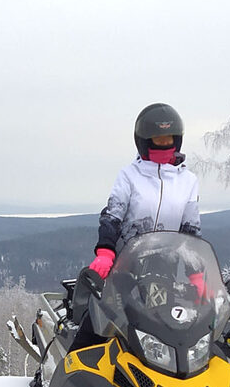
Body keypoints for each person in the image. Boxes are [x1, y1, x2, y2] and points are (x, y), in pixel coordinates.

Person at [86, 103, 201, 280]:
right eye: (158, 139)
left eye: (168, 139)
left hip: (165, 270)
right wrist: (105, 251)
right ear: (145, 141)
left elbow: (190, 232)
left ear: (177, 140)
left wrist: (196, 273)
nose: (164, 144)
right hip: (124, 265)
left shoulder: (188, 181)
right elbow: (112, 216)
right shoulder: (129, 175)